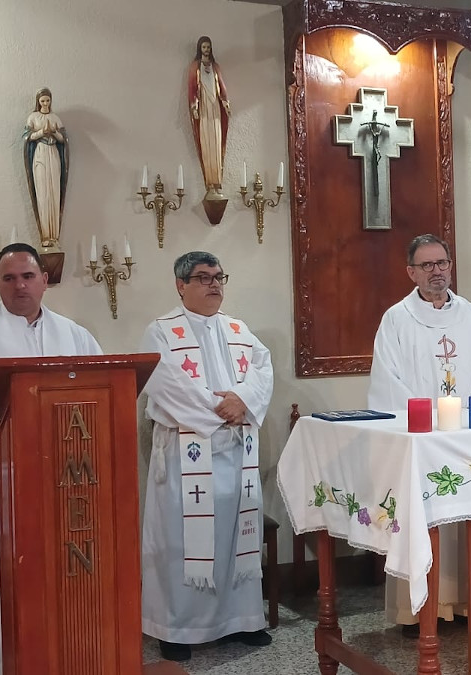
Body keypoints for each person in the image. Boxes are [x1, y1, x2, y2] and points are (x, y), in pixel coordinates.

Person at [0, 243, 102, 675]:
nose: (20, 286)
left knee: (59, 556)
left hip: (63, 465)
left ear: (44, 280)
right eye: (9, 278)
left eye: (28, 276)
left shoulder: (74, 333)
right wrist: (17, 399)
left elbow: (99, 380)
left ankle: (64, 650)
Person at [139, 251, 273, 662]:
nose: (214, 284)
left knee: (235, 537)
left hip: (235, 454)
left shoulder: (238, 329)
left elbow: (262, 370)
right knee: (181, 542)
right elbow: (166, 384)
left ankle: (242, 620)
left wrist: (243, 400)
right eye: (203, 277)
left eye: (218, 276)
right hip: (187, 454)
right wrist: (223, 410)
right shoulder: (160, 332)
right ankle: (177, 629)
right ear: (180, 285)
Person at [368, 233, 471, 635]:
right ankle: (418, 611)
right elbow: (387, 381)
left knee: (467, 516)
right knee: (420, 519)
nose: (436, 271)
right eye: (426, 265)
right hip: (420, 440)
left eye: (441, 263)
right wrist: (426, 422)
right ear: (411, 272)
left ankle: (465, 603)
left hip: (465, 438)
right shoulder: (397, 319)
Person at [23, 88, 67, 250]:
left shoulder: (55, 118)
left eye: (48, 100)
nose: (45, 103)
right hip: (40, 154)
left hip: (53, 154)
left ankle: (54, 235)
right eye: (42, 101)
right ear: (38, 102)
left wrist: (54, 133)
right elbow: (27, 137)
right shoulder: (33, 117)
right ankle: (45, 234)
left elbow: (63, 139)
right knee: (42, 193)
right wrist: (42, 132)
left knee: (54, 192)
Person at [188, 36, 230, 191]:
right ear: (200, 48)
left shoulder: (215, 67)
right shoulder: (195, 67)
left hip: (215, 108)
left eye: (208, 47)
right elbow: (192, 88)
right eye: (204, 47)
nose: (206, 50)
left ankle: (217, 178)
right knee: (206, 141)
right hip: (204, 107)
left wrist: (225, 103)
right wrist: (194, 107)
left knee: (217, 140)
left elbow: (222, 87)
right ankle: (209, 179)